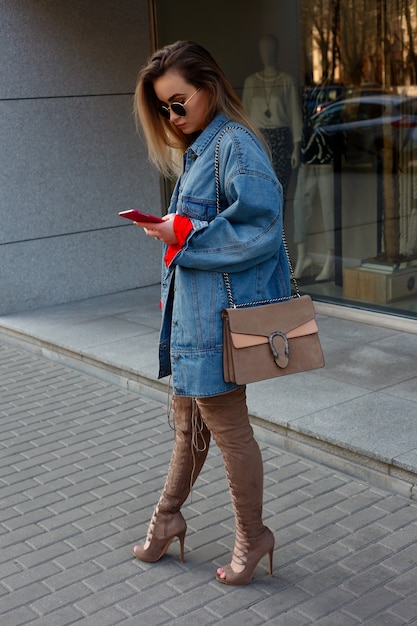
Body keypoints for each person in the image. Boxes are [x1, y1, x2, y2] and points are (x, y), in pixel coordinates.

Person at [132, 40, 290, 586]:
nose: (172, 118)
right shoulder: (200, 149)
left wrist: (182, 236)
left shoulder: (234, 145)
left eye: (179, 103)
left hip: (219, 324)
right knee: (188, 426)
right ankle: (167, 518)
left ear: (210, 88)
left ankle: (252, 535)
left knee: (228, 430)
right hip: (190, 322)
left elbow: (261, 226)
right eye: (163, 109)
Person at [242, 34, 302, 203]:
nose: (266, 53)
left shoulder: (286, 81)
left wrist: (296, 147)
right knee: (259, 192)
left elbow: (294, 114)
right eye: (263, 49)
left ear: (277, 51)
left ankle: (280, 229)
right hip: (257, 141)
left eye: (270, 48)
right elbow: (244, 116)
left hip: (281, 140)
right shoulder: (251, 82)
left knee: (279, 192)